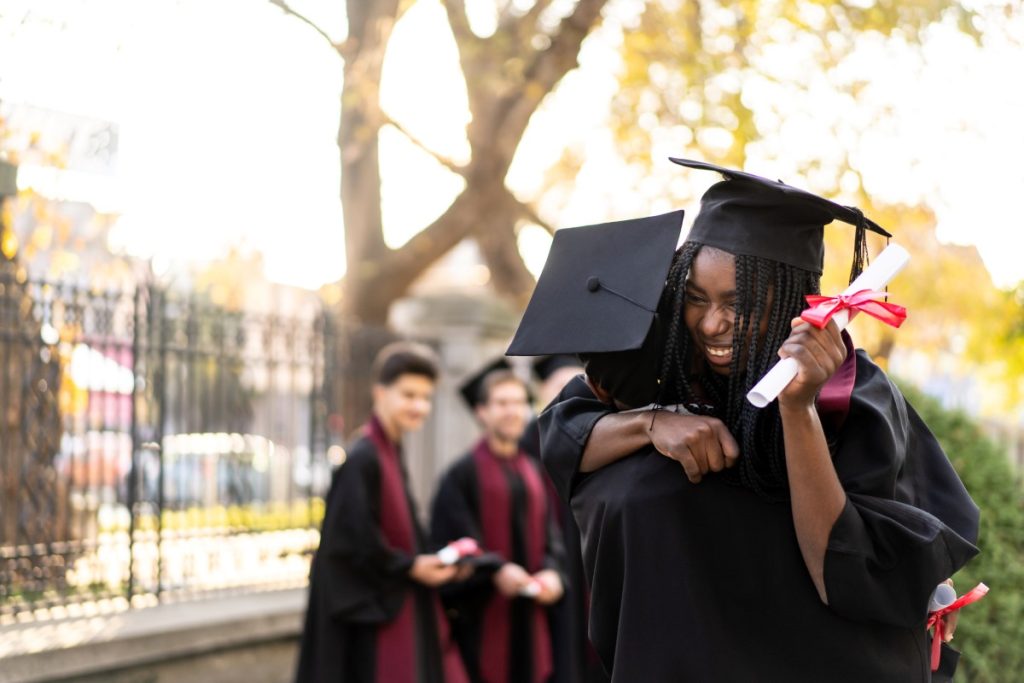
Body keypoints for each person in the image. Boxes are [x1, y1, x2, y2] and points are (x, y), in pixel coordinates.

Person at [506, 161, 980, 682]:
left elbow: (847, 570)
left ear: (795, 300)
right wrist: (651, 424)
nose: (712, 324)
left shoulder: (852, 395)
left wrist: (797, 410)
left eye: (742, 302)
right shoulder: (660, 372)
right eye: (695, 298)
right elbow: (557, 435)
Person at [295, 341, 469, 683]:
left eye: (425, 397)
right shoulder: (364, 457)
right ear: (380, 393)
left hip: (394, 604)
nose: (419, 406)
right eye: (408, 395)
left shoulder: (389, 449)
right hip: (369, 623)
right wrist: (410, 566)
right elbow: (351, 544)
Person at [431, 361, 566, 683]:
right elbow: (452, 543)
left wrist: (553, 572)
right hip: (482, 625)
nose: (513, 411)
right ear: (482, 412)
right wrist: (495, 570)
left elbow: (553, 539)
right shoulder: (461, 474)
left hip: (532, 623)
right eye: (502, 403)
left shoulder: (533, 471)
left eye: (520, 403)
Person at [521, 356, 609, 683]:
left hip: (591, 547)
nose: (569, 395)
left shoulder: (603, 432)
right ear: (542, 390)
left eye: (577, 385)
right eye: (559, 387)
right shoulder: (526, 442)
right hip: (555, 557)